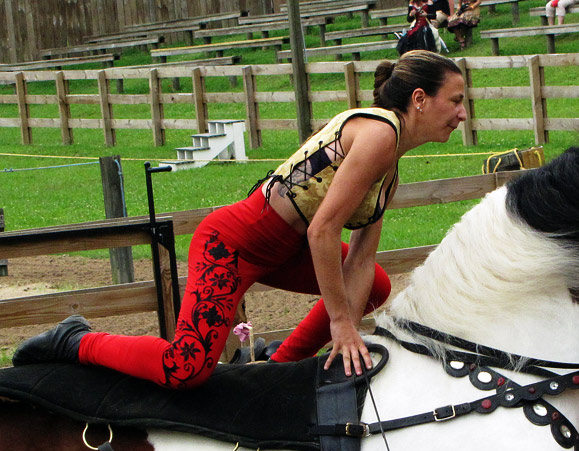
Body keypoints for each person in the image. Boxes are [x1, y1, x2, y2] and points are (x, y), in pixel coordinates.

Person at [12, 50, 468, 387]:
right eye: (456, 100)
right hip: (231, 244)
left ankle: (276, 370)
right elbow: (323, 230)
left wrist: (346, 321)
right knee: (185, 369)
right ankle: (75, 340)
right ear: (420, 99)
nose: (463, 114)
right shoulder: (378, 136)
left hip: (284, 249)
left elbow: (362, 261)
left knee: (378, 285)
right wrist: (341, 324)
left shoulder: (390, 165)